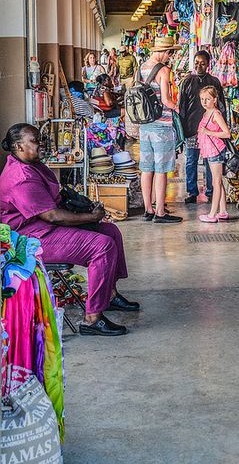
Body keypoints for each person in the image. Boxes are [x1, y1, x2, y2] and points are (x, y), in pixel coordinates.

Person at [0, 123, 139, 336]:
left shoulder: (33, 165)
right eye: (36, 140)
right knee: (101, 246)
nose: (41, 144)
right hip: (31, 239)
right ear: (18, 147)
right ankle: (92, 319)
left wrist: (83, 207)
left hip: (45, 228)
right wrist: (90, 217)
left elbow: (57, 201)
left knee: (110, 231)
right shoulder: (21, 177)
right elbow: (52, 215)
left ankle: (109, 296)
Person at [139, 37, 183, 224]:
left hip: (144, 124)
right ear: (163, 51)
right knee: (162, 169)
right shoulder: (163, 70)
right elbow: (165, 100)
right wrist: (177, 107)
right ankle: (160, 212)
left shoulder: (141, 67)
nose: (170, 57)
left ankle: (148, 209)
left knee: (146, 168)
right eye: (170, 53)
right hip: (161, 125)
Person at [179, 50, 226, 204]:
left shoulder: (214, 81)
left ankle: (211, 191)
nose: (199, 66)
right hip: (192, 129)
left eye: (203, 63)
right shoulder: (187, 81)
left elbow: (222, 106)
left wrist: (221, 126)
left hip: (211, 130)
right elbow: (182, 107)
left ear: (208, 64)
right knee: (191, 160)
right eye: (197, 63)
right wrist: (182, 130)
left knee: (209, 161)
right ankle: (192, 192)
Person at [197, 86, 231, 223]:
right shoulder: (206, 113)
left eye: (208, 99)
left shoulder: (215, 114)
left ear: (215, 100)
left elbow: (227, 133)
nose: (204, 102)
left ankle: (212, 214)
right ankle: (222, 211)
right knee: (218, 181)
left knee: (216, 182)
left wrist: (209, 132)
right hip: (209, 151)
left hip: (215, 151)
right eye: (202, 99)